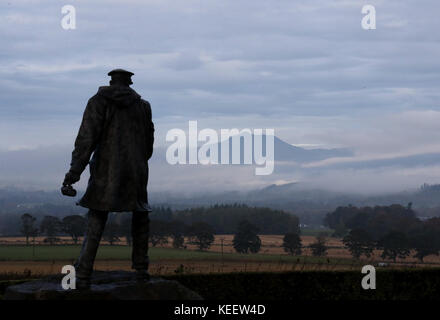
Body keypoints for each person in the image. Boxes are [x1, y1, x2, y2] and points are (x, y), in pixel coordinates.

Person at [62, 69, 154, 288]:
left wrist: (73, 173)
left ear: (111, 81)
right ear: (130, 83)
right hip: (136, 171)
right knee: (140, 215)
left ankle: (83, 272)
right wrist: (137, 160)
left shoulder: (97, 102)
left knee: (97, 215)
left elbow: (86, 139)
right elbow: (148, 145)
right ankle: (141, 269)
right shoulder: (143, 106)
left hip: (106, 169)